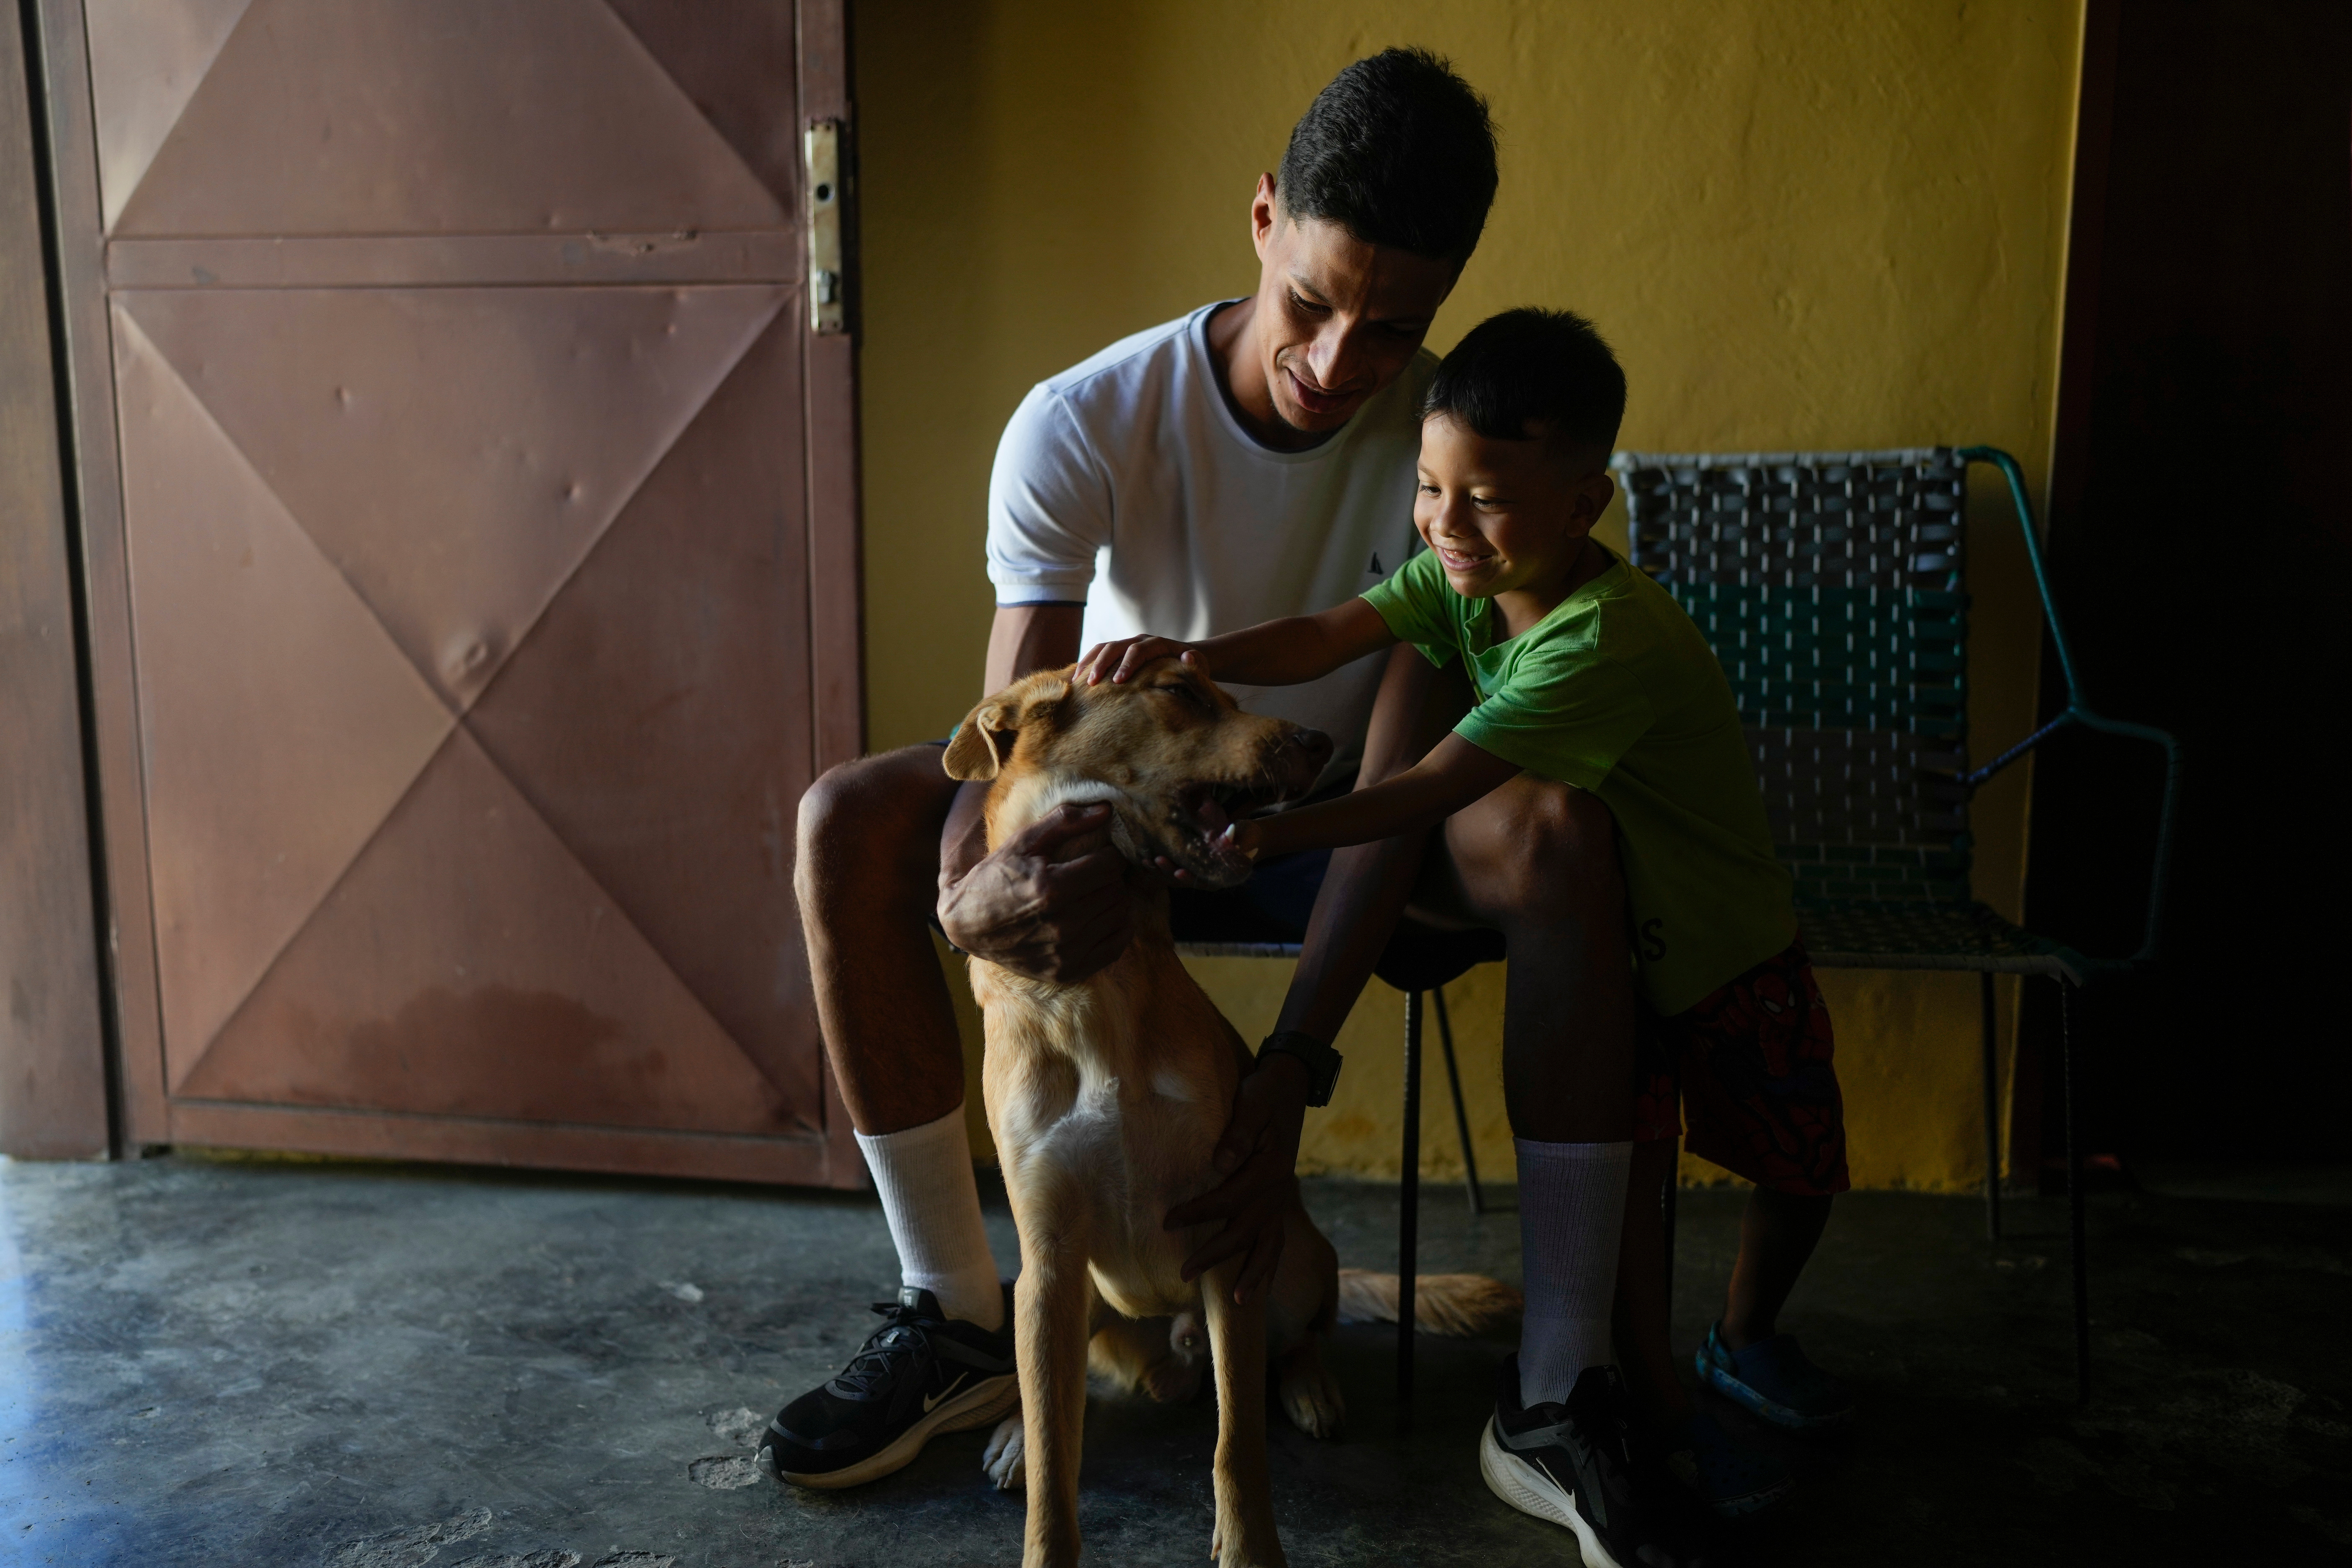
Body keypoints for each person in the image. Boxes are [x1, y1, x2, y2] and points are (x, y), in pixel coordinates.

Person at [758, 46, 1584, 1494]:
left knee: (1556, 833)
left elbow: (1404, 779)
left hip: (1349, 818)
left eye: (1393, 330)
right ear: (1263, 219)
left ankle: (1573, 1389)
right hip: (1136, 828)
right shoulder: (1083, 421)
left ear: (1444, 302)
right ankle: (956, 1317)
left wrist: (1288, 1077)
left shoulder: (1452, 443)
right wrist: (975, 901)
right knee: (849, 821)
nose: (1339, 365)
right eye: (1313, 305)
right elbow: (1013, 749)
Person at [1077, 307, 1855, 1559]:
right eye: (1431, 487)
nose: (1445, 524)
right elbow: (1336, 631)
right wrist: (1197, 654)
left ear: (1583, 503)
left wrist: (1272, 839)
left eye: (1484, 497)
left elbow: (1433, 788)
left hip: (1732, 954)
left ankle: (1750, 1333)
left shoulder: (1601, 636)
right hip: (1638, 957)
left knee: (1795, 1161)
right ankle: (1649, 1395)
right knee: (1639, 1184)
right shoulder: (1464, 577)